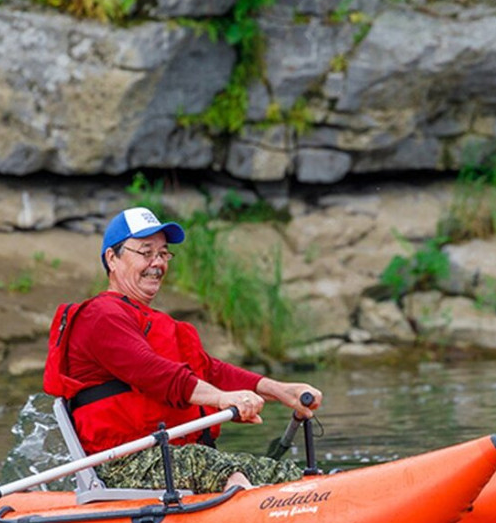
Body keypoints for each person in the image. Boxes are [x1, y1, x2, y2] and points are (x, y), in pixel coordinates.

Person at [43, 206, 322, 494]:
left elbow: (211, 371)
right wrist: (221, 398)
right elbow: (152, 372)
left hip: (175, 457)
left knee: (283, 473)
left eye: (163, 253)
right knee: (220, 469)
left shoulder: (156, 323)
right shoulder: (100, 316)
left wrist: (280, 391)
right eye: (146, 252)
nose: (157, 263)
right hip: (124, 463)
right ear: (112, 259)